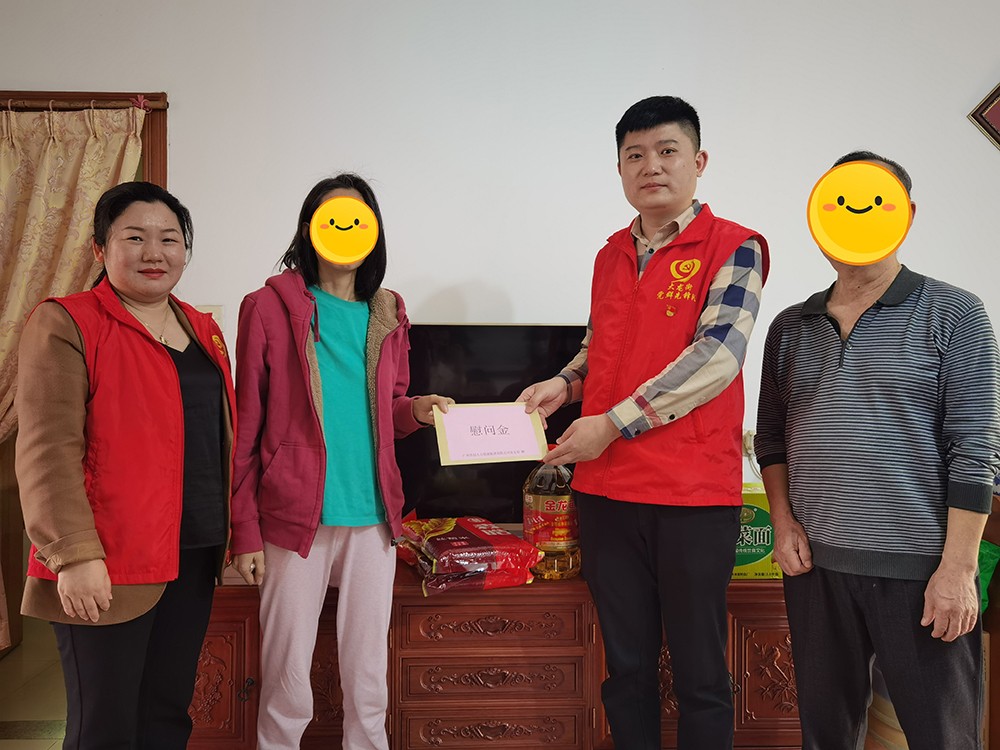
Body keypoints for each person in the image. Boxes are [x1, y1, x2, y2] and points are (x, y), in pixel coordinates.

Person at [519, 96, 769, 749]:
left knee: (699, 675)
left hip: (691, 496)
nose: (650, 166)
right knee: (625, 671)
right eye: (635, 155)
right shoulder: (610, 254)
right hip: (606, 492)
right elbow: (599, 346)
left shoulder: (734, 246)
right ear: (620, 169)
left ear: (698, 161)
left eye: (666, 151)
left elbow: (718, 355)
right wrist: (563, 384)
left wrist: (613, 423)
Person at [754, 151, 1000, 749]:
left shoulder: (955, 313)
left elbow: (976, 449)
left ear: (905, 215)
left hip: (921, 572)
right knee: (826, 737)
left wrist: (958, 570)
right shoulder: (790, 326)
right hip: (816, 569)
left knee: (943, 738)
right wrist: (782, 524)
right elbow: (771, 438)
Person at [230, 173, 453, 750]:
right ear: (310, 229)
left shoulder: (388, 311)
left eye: (358, 220)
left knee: (368, 672)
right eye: (333, 219)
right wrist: (244, 532)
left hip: (375, 516)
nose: (346, 230)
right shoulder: (266, 307)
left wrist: (418, 409)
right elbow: (246, 425)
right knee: (286, 674)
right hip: (291, 517)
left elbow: (387, 408)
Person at [15, 181, 236, 748]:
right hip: (108, 560)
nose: (153, 253)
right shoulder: (67, 322)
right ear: (100, 248)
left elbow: (217, 436)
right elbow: (47, 451)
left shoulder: (202, 329)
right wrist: (73, 554)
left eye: (169, 239)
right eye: (134, 237)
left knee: (167, 715)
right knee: (105, 726)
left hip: (193, 551)